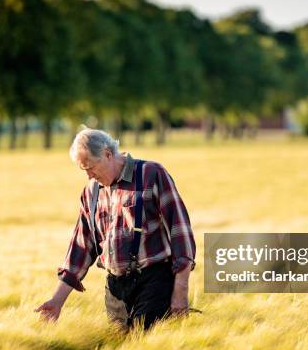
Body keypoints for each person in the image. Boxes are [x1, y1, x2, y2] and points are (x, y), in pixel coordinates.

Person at [35, 127, 196, 330]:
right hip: (115, 290)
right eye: (83, 170)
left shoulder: (150, 173)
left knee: (144, 349)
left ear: (107, 154)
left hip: (153, 280)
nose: (89, 176)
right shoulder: (91, 191)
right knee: (119, 346)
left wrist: (181, 289)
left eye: (90, 167)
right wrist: (57, 300)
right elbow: (81, 246)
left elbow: (180, 229)